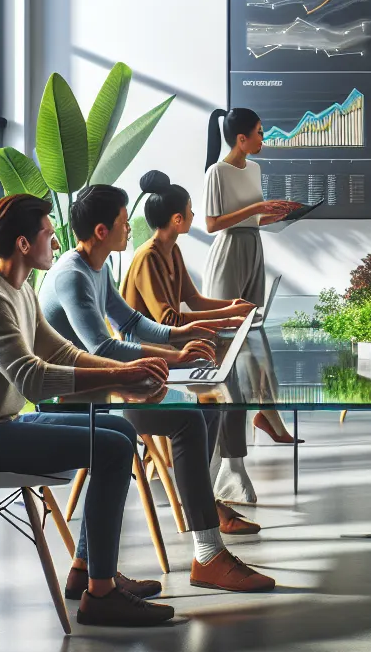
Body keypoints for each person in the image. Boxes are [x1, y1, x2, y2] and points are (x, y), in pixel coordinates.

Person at [0, 194, 172, 627]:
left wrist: (123, 374)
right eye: (47, 233)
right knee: (114, 450)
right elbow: (34, 379)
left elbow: (60, 351)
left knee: (118, 432)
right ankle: (101, 595)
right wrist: (122, 376)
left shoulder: (19, 290)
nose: (56, 240)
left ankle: (86, 571)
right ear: (25, 244)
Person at [39, 184, 275, 593]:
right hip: (74, 401)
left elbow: (130, 322)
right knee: (188, 421)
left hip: (103, 389)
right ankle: (208, 554)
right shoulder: (73, 276)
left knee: (206, 409)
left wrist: (177, 333)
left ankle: (85, 567)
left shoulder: (95, 267)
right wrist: (176, 356)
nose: (129, 227)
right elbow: (104, 346)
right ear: (101, 231)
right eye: (122, 221)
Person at [122, 170, 264, 503]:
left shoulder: (172, 250)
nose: (194, 215)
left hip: (172, 348)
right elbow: (167, 319)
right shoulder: (147, 257)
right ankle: (209, 488)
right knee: (222, 391)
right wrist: (228, 317)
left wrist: (232, 306)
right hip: (151, 358)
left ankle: (216, 481)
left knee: (231, 383)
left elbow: (195, 300)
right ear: (176, 218)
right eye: (190, 209)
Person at [203, 107, 305, 448]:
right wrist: (258, 209)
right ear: (241, 138)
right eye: (260, 133)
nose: (264, 138)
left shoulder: (256, 168)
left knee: (254, 337)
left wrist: (276, 215)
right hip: (228, 253)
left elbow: (250, 220)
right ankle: (221, 427)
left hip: (253, 247)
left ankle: (268, 414)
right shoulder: (217, 172)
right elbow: (214, 224)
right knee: (225, 341)